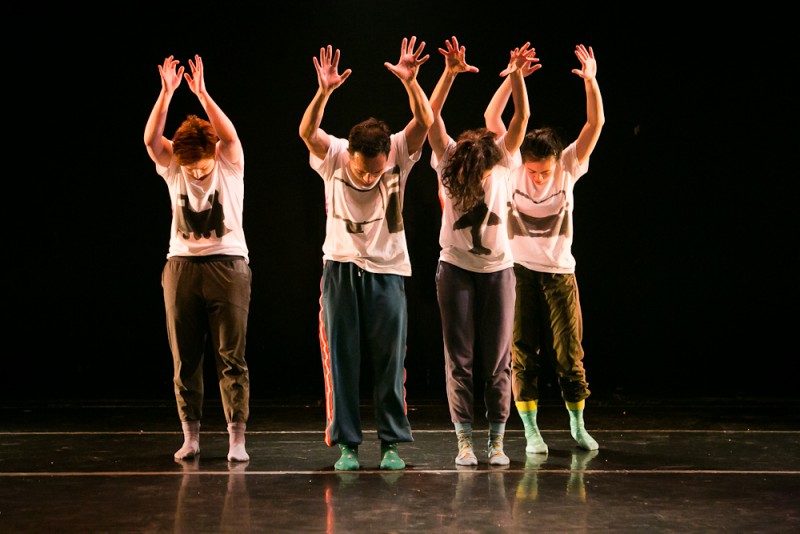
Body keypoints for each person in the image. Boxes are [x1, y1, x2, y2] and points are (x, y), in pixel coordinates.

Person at [299, 37, 434, 471]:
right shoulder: (335, 154)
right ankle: (348, 446)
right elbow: (306, 132)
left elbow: (424, 122)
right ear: (350, 154)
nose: (370, 176)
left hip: (388, 268)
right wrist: (324, 92)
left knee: (390, 359)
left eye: (376, 171)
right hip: (340, 266)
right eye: (363, 168)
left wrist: (412, 83)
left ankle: (392, 443)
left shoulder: (396, 152)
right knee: (342, 358)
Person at [485, 44, 605, 453]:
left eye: (545, 171)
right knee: (522, 352)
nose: (538, 179)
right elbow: (493, 118)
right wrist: (513, 76)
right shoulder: (513, 161)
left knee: (569, 353)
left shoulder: (569, 164)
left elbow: (594, 124)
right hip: (517, 271)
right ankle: (532, 431)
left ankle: (576, 423)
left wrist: (591, 81)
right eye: (533, 172)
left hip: (559, 272)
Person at [427, 37, 535, 466]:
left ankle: (496, 440)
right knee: (461, 359)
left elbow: (522, 116)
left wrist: (515, 78)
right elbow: (430, 116)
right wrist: (448, 74)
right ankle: (464, 441)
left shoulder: (504, 160)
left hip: (498, 270)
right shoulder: (449, 158)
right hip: (455, 268)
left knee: (497, 360)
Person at [144, 54, 252, 462]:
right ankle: (191, 436)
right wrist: (166, 93)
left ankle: (236, 439)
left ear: (214, 152)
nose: (197, 173)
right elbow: (152, 141)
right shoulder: (175, 165)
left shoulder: (229, 160)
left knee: (231, 357)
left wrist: (203, 95)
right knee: (184, 357)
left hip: (229, 265)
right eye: (190, 167)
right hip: (181, 267)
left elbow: (228, 132)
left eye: (201, 164)